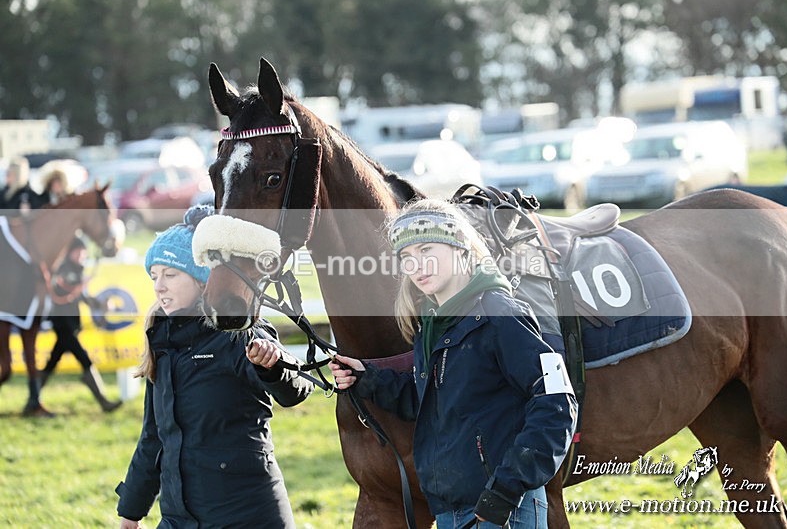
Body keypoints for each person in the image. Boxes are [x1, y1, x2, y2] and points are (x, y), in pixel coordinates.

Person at [331, 199, 578, 528]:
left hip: (503, 510)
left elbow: (558, 401)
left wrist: (506, 489)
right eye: (407, 257)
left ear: (460, 247)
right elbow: (433, 401)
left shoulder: (499, 313)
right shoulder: (431, 326)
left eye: (427, 248)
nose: (417, 265)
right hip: (451, 510)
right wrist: (369, 379)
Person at [116, 205, 314, 528]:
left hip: (248, 516)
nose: (159, 286)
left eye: (170, 274)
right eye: (154, 276)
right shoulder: (162, 345)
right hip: (179, 520)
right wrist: (130, 511)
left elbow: (296, 389)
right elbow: (153, 437)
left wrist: (273, 365)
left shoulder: (238, 333)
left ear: (202, 279)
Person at [39, 235, 122, 412]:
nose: (82, 255)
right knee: (84, 359)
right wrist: (81, 283)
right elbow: (65, 289)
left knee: (52, 361)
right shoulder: (63, 269)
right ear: (70, 252)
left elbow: (83, 297)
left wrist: (101, 304)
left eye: (83, 252)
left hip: (70, 325)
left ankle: (33, 397)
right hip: (62, 324)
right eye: (79, 251)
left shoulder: (77, 271)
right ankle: (103, 401)